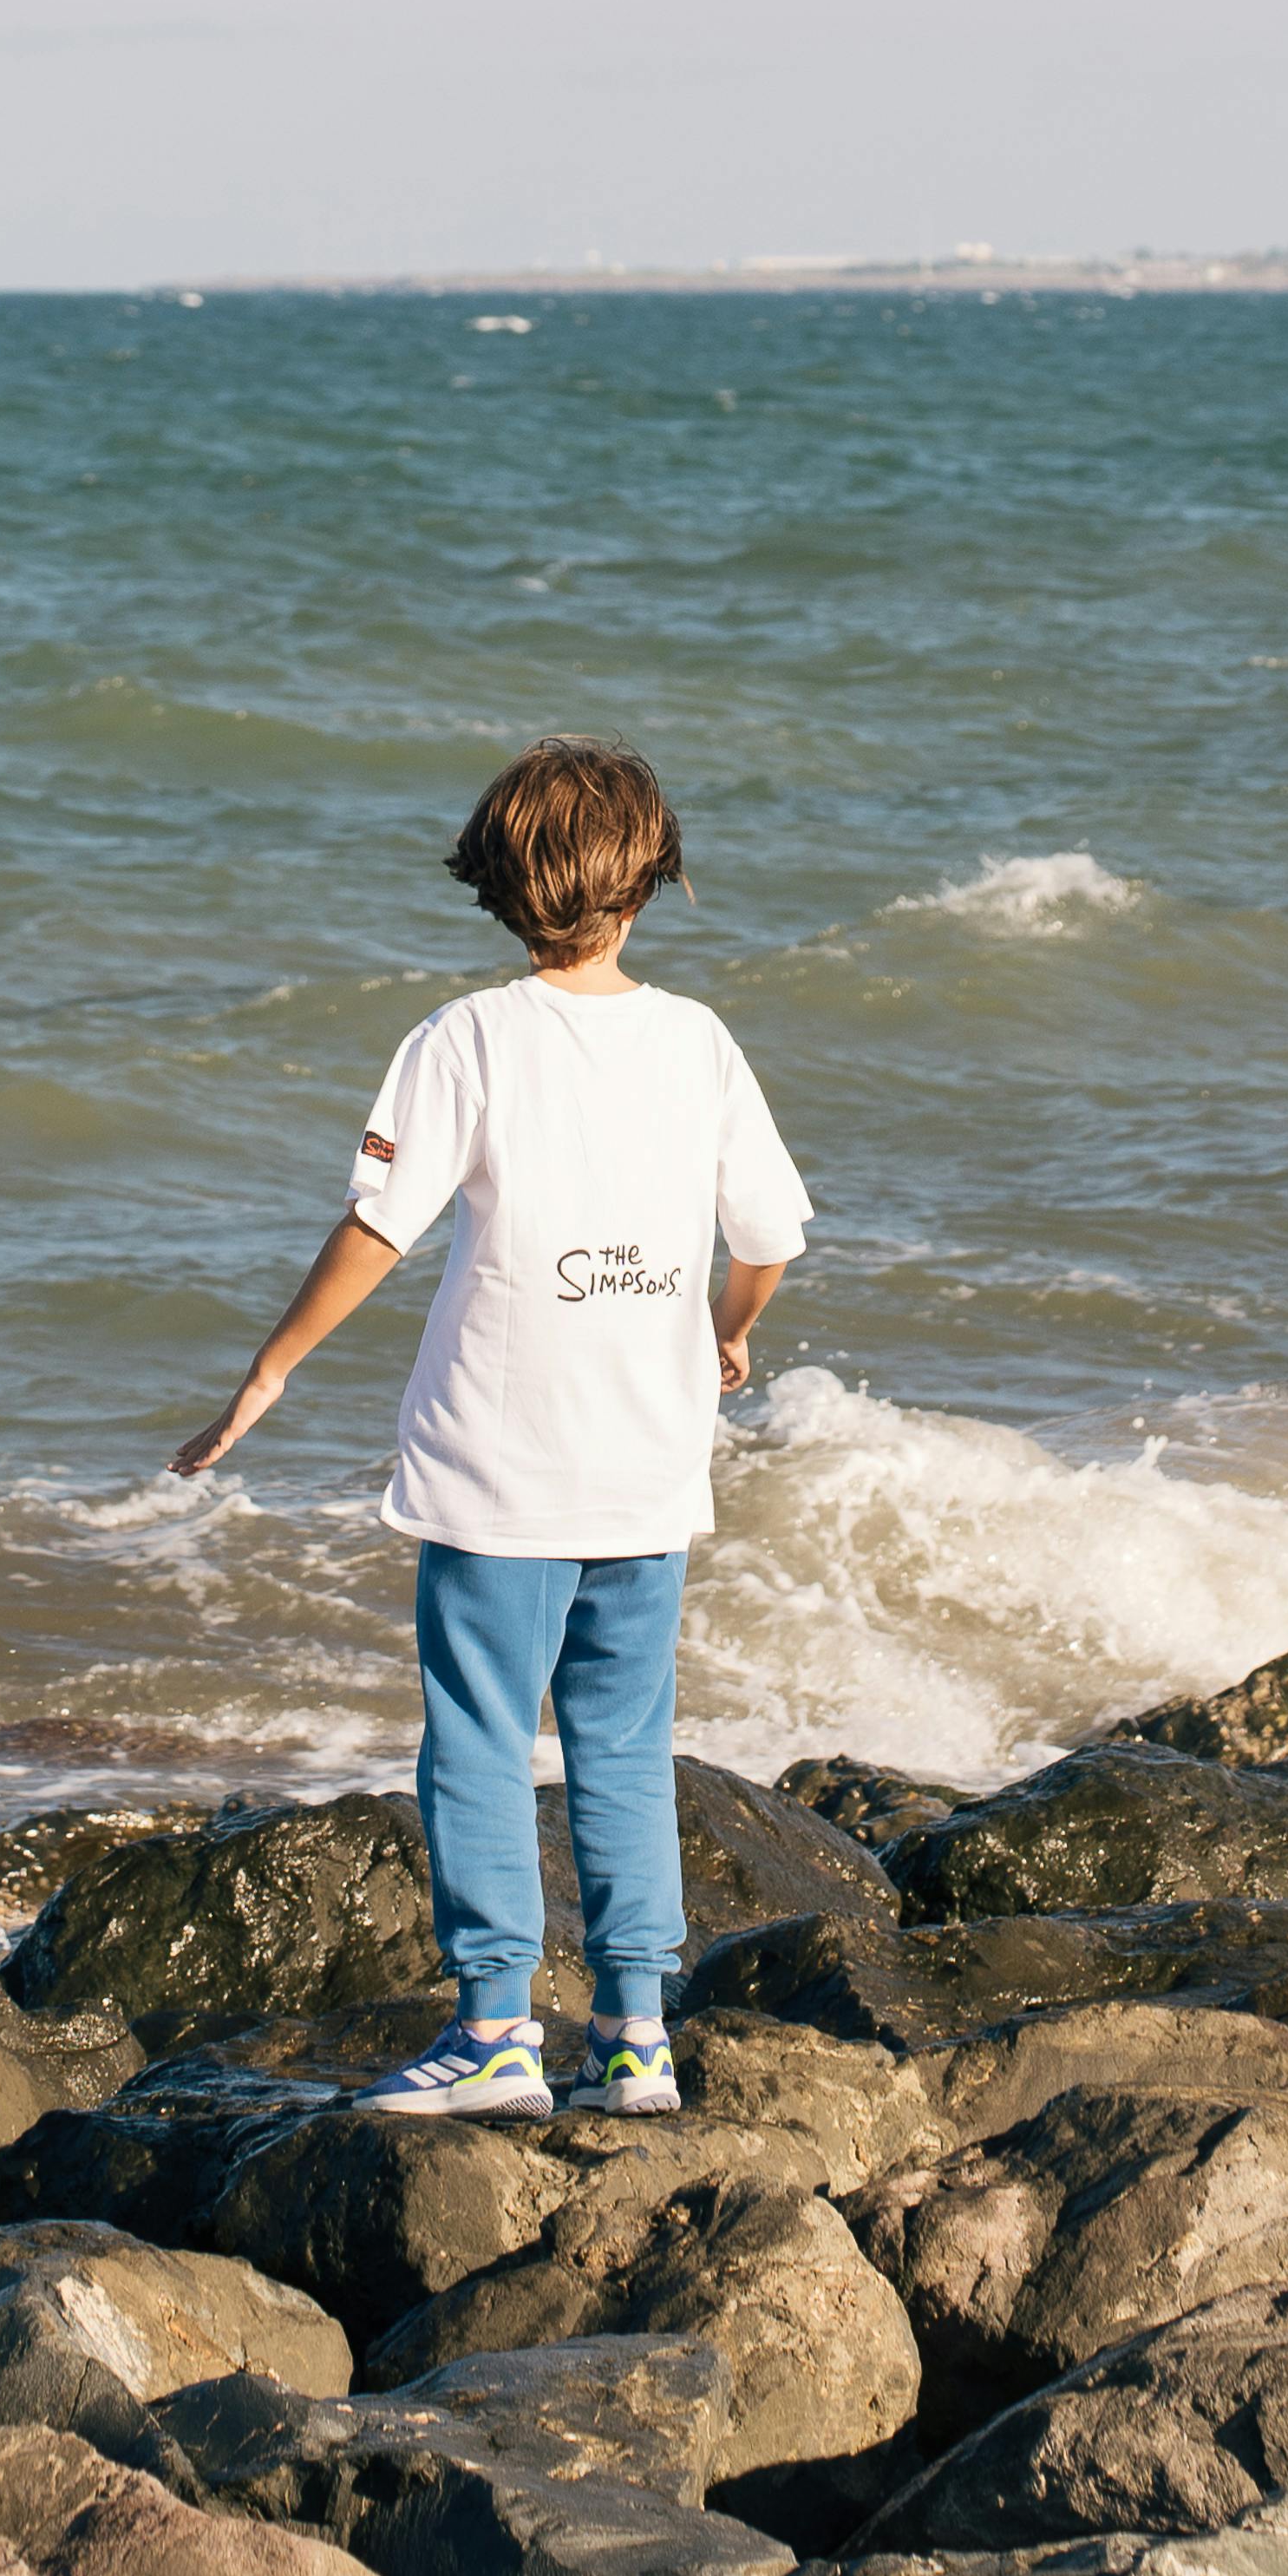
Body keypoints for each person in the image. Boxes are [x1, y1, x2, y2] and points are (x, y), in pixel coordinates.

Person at [170, 733, 809, 2115]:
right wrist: (726, 1328)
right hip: (646, 1475)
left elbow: (377, 1227)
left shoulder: (464, 1037)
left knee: (476, 1731)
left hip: (497, 1476)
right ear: (650, 880)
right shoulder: (698, 1042)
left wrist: (272, 1367)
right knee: (626, 1739)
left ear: (501, 885)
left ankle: (496, 2030)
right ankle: (637, 2036)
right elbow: (765, 1235)